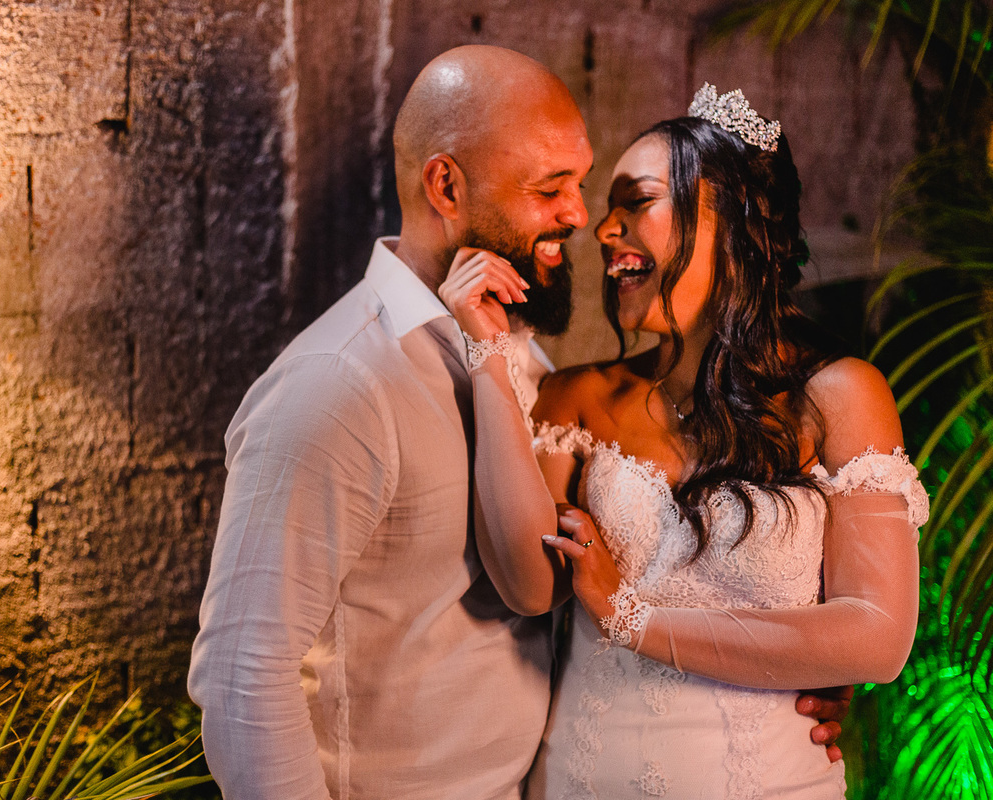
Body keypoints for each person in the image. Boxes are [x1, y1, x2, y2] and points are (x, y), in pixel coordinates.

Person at [189, 45, 849, 798]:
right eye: (551, 188)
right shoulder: (338, 384)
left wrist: (780, 671)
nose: (581, 215)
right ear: (446, 185)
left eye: (580, 182)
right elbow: (244, 676)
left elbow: (575, 591)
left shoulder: (519, 359)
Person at [439, 83, 928, 799]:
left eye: (634, 202)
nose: (603, 230)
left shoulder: (839, 396)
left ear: (728, 217)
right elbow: (528, 587)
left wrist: (631, 619)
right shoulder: (575, 397)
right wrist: (485, 358)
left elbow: (877, 640)